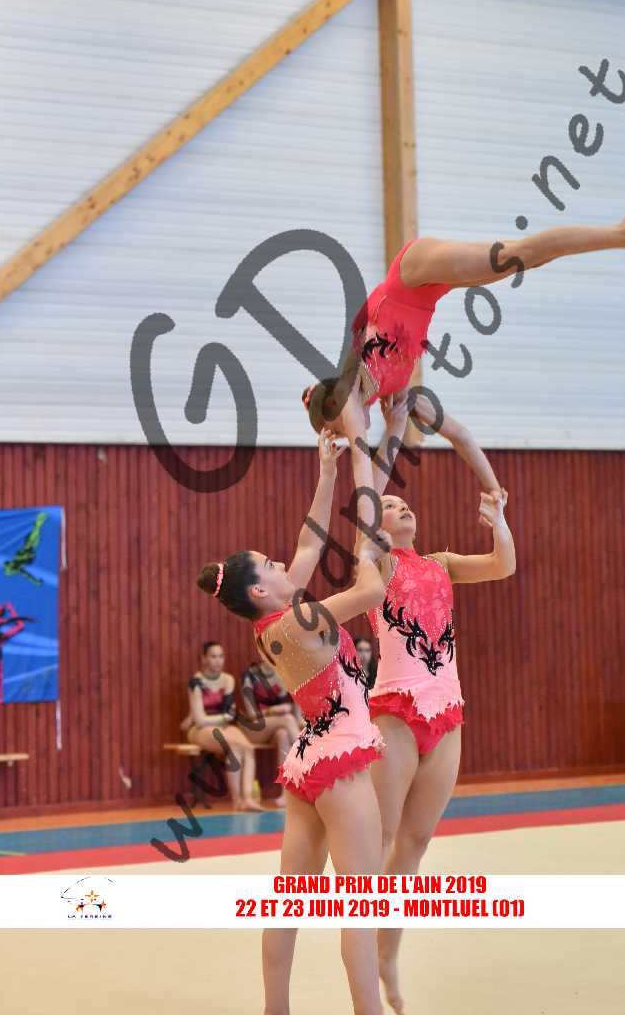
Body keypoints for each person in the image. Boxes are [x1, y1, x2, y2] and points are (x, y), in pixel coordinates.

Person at [196, 429, 391, 1015]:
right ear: (261, 588)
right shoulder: (299, 622)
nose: (283, 562)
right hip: (340, 760)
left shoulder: (276, 622)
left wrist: (326, 471)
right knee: (363, 903)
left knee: (291, 901)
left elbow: (308, 543)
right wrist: (367, 545)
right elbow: (372, 591)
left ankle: (274, 1009)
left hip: (311, 762)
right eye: (270, 563)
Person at [302, 215, 625, 457]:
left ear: (336, 408)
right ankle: (624, 232)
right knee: (530, 259)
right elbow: (455, 434)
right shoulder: (389, 395)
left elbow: (360, 457)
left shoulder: (357, 383)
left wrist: (334, 438)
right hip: (424, 291)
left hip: (411, 274)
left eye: (333, 432)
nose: (341, 437)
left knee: (521, 253)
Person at [367, 476, 516, 1014]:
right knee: (380, 838)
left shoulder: (441, 563)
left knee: (415, 842)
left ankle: (387, 956)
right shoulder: (377, 565)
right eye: (390, 504)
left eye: (405, 502)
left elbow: (502, 566)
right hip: (395, 710)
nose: (402, 507)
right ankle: (360, 950)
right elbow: (367, 505)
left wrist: (498, 521)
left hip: (447, 710)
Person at [185, 641, 261, 812]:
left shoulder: (228, 680)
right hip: (199, 730)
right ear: (204, 659)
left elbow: (229, 713)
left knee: (248, 748)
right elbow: (200, 719)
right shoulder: (196, 682)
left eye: (221, 656)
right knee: (234, 745)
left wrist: (225, 717)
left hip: (222, 725)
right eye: (213, 656)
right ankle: (236, 800)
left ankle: (247, 799)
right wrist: (224, 717)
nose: (218, 660)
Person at [240, 658, 302, 807]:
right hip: (254, 728)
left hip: (279, 727)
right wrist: (273, 710)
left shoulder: (287, 675)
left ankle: (286, 793)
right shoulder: (249, 676)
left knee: (283, 735)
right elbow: (251, 714)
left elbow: (297, 716)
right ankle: (306, 757)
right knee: (287, 720)